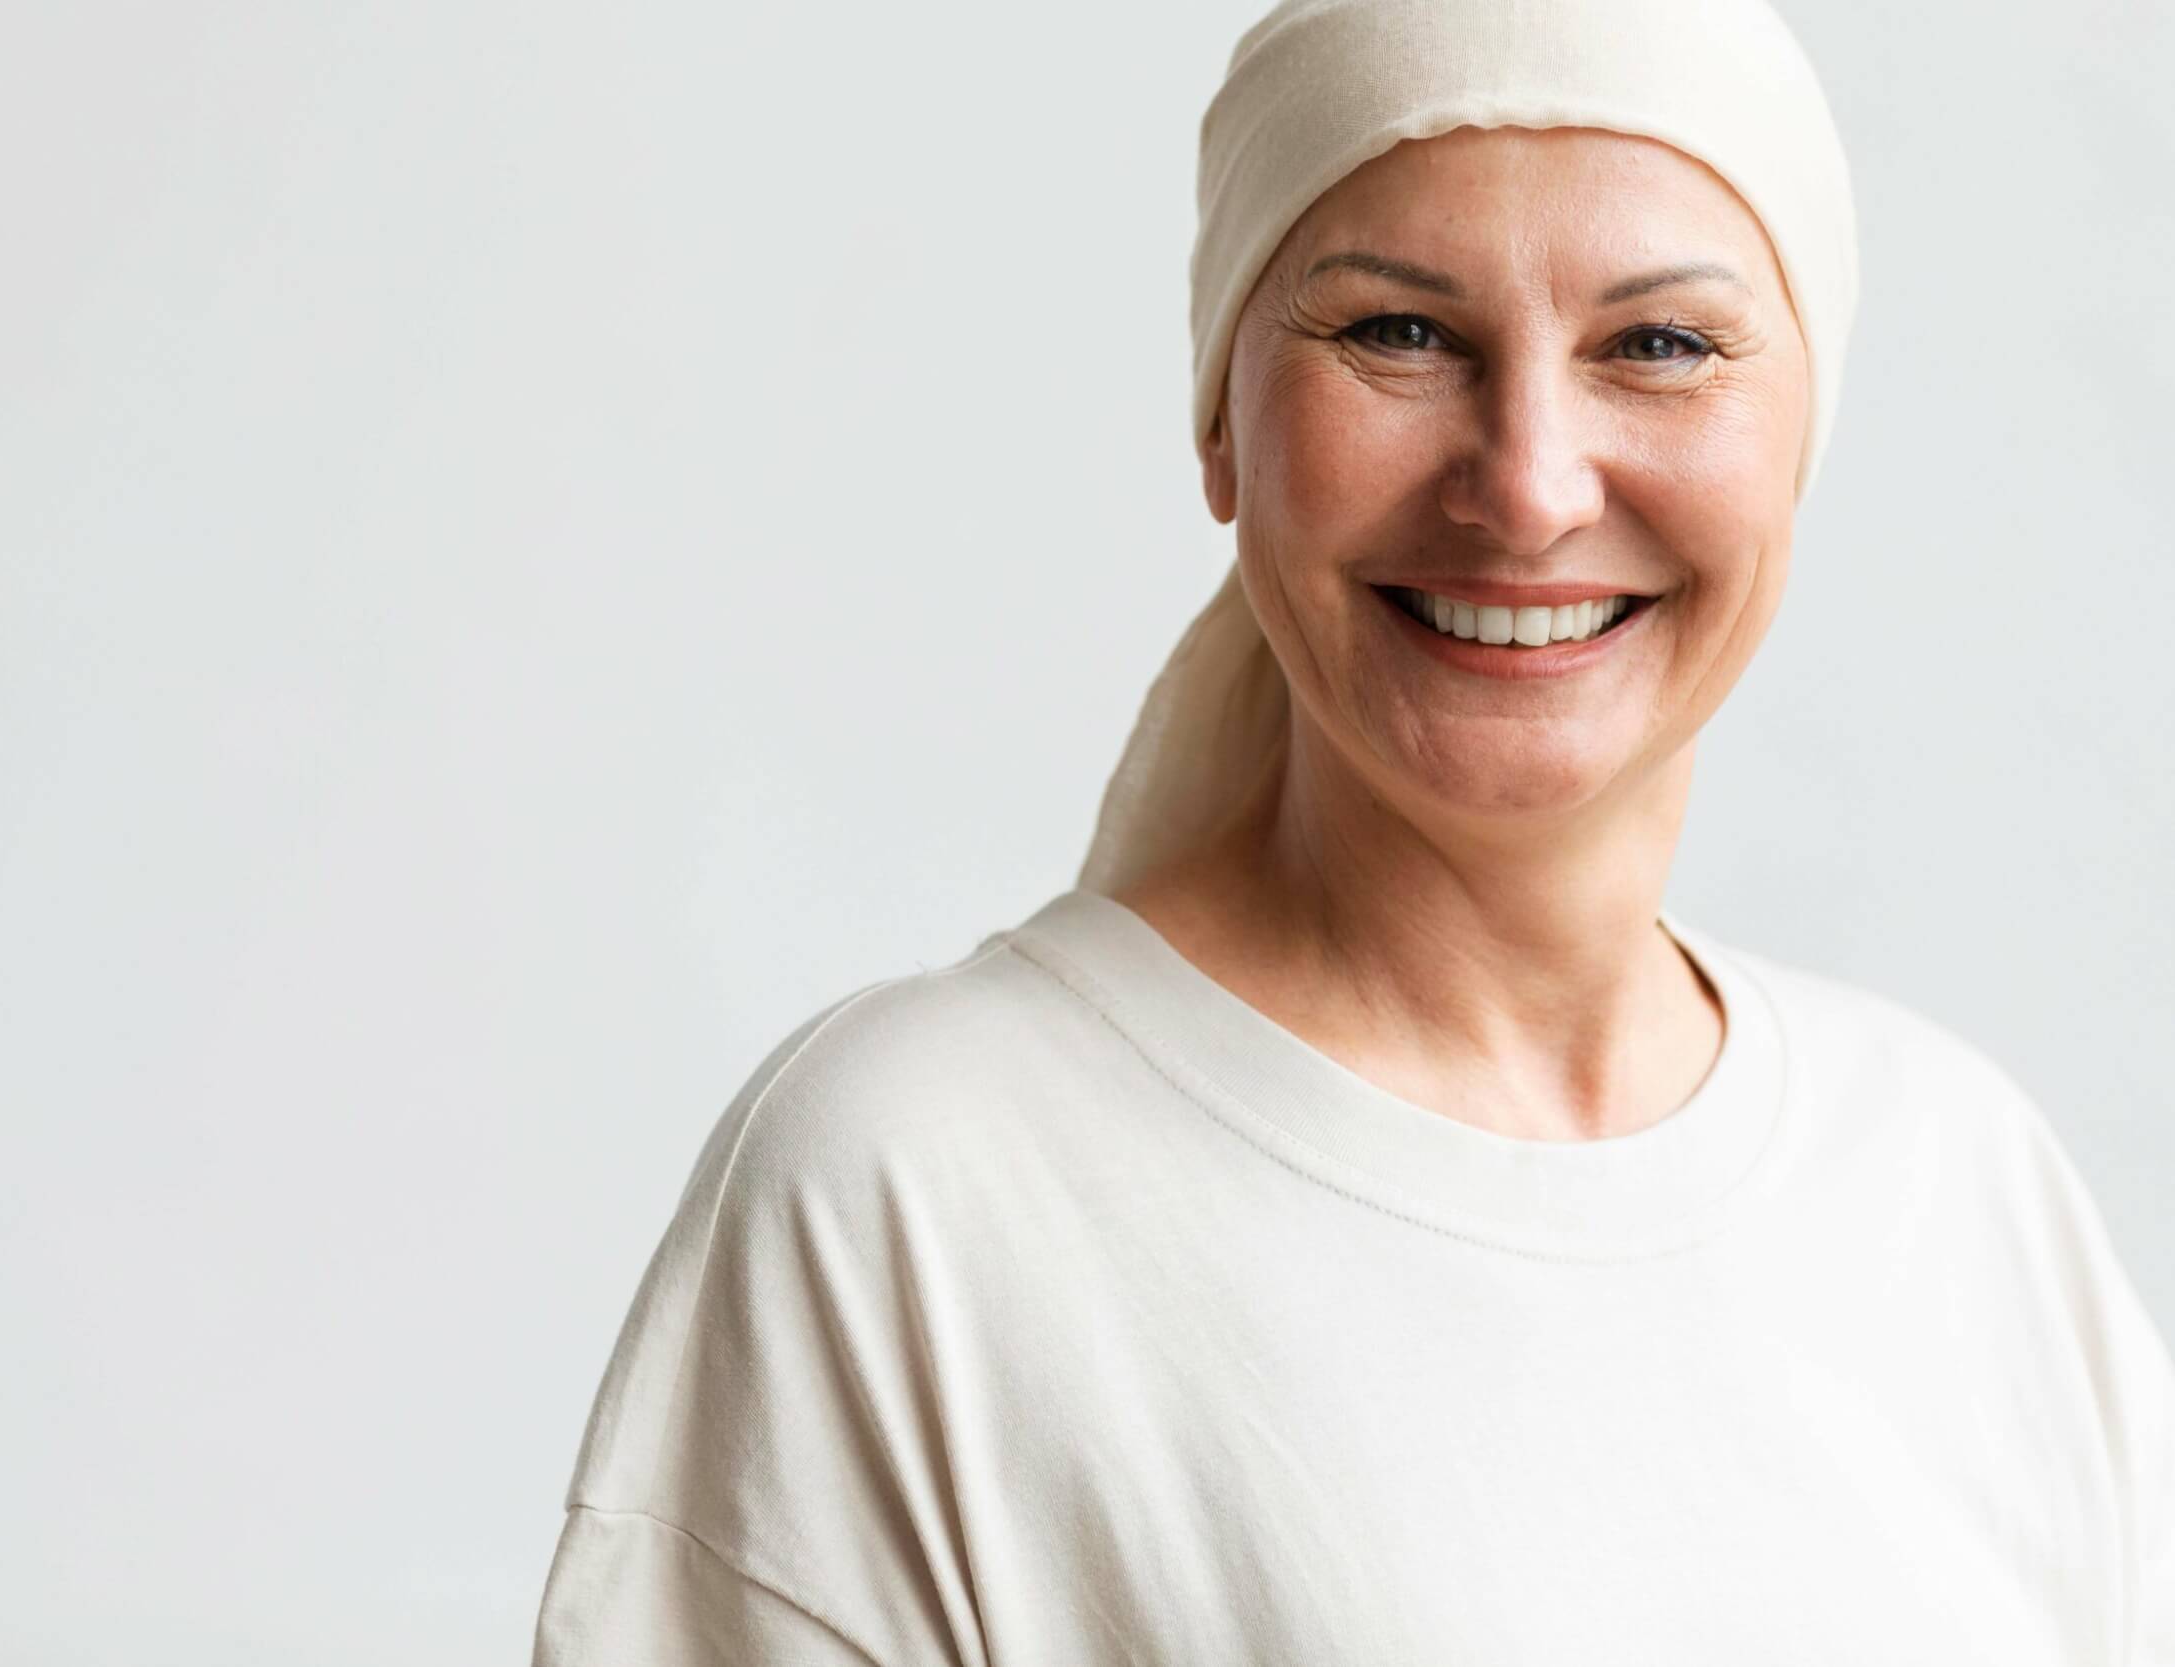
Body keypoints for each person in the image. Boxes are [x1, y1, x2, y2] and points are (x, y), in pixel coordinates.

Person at [532, 0, 2175, 1658]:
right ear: (1221, 424)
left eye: (1661, 344)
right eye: (1397, 331)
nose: (1529, 485)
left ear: (1800, 434)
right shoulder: (917, 1188)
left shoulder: (1959, 1189)